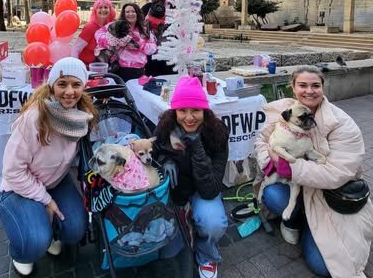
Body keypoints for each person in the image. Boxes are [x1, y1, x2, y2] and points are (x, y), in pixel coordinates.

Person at [255, 66, 373, 278]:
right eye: (302, 85)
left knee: (324, 267)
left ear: (323, 88)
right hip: (296, 185)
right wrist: (271, 160)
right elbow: (261, 142)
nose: (309, 90)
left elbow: (336, 174)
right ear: (293, 88)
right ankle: (295, 220)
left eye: (315, 85)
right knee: (272, 194)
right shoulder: (283, 110)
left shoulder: (342, 123)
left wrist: (287, 166)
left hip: (328, 195)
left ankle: (312, 224)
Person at [0, 58, 98, 276]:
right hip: (19, 187)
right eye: (62, 84)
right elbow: (13, 171)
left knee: (76, 229)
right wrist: (46, 200)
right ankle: (21, 250)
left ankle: (49, 228)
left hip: (55, 181)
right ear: (52, 85)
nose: (69, 92)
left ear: (83, 86)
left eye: (76, 84)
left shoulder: (82, 116)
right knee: (34, 240)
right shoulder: (35, 117)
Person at [154, 76, 229, 278]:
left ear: (204, 110)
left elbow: (210, 190)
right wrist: (165, 160)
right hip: (176, 191)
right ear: (174, 111)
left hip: (203, 189)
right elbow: (155, 154)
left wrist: (196, 145)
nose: (189, 117)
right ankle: (186, 220)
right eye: (182, 110)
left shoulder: (218, 133)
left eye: (195, 110)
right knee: (169, 248)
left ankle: (206, 253)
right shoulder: (165, 128)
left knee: (213, 223)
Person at [95, 2, 157, 82]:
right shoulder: (114, 25)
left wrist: (139, 46)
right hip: (118, 69)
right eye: (127, 12)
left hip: (138, 71)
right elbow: (98, 33)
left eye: (133, 11)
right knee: (119, 93)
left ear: (137, 13)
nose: (130, 14)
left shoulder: (144, 30)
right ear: (123, 14)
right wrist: (110, 42)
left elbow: (153, 48)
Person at [141, 0, 175, 77]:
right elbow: (138, 26)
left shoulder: (174, 6)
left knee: (170, 79)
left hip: (171, 53)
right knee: (153, 80)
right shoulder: (146, 8)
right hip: (152, 54)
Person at [71, 0, 116, 67]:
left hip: (103, 66)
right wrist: (75, 67)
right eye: (100, 7)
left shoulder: (110, 26)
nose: (103, 10)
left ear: (110, 10)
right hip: (87, 66)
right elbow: (76, 48)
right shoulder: (90, 27)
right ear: (95, 10)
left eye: (106, 7)